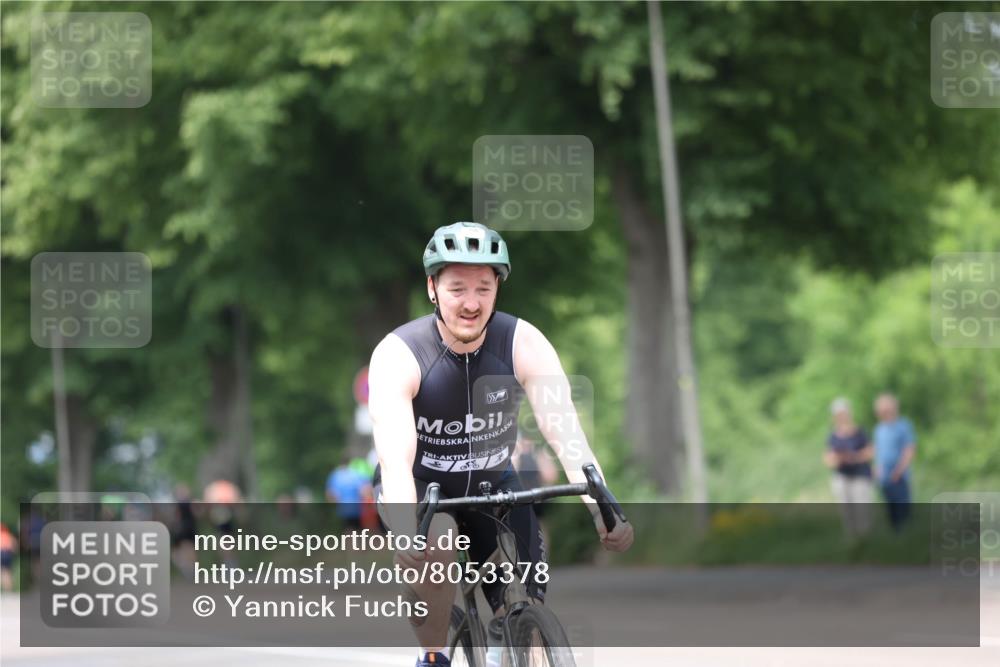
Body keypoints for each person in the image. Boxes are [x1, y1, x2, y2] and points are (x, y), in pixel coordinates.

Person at [368, 222, 633, 667]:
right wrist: (404, 527)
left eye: (483, 288)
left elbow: (567, 434)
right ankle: (432, 657)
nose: (471, 303)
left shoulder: (524, 343)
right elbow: (395, 461)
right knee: (436, 547)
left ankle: (504, 640)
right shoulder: (399, 354)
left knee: (525, 608)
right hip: (421, 489)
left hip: (495, 486)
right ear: (432, 288)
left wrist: (603, 508)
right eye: (456, 289)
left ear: (498, 289)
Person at [823, 398, 874, 539]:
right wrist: (838, 459)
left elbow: (870, 451)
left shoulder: (860, 432)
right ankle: (852, 537)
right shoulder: (832, 436)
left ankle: (865, 537)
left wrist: (855, 457)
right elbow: (828, 458)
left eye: (843, 413)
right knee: (846, 508)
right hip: (842, 476)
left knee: (862, 507)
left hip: (860, 475)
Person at [872, 393, 917, 531]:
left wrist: (899, 471)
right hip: (884, 478)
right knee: (891, 512)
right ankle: (897, 538)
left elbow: (909, 450)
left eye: (885, 408)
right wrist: (877, 470)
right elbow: (878, 452)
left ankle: (908, 538)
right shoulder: (879, 429)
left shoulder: (903, 425)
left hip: (899, 476)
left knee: (903, 510)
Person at [326, 453, 370, 532]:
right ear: (350, 463)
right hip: (357, 508)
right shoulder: (356, 474)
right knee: (358, 531)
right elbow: (364, 490)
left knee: (348, 530)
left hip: (343, 509)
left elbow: (331, 494)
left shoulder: (335, 475)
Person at [0, 523, 17, 592]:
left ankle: (4, 588)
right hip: (8, 554)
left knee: (2, 572)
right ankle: (8, 589)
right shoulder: (9, 535)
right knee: (8, 572)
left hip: (1, 554)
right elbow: (14, 546)